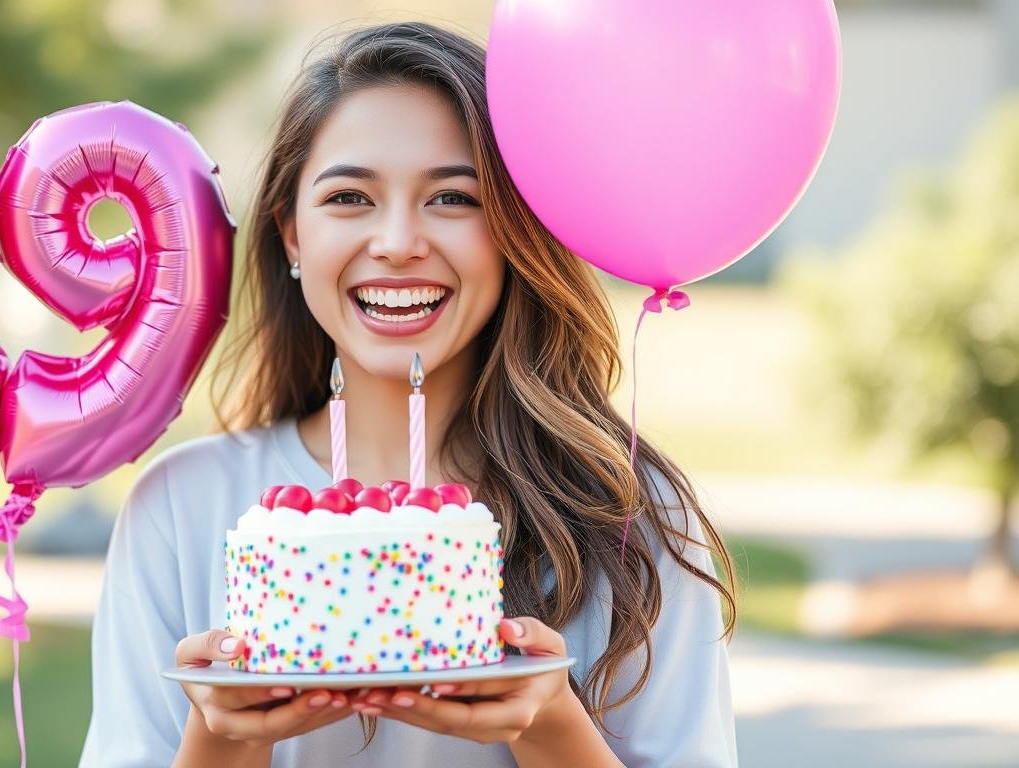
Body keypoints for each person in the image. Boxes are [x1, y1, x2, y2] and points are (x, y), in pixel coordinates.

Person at [79, 20, 738, 768]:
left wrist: (549, 719)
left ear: (516, 231)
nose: (397, 241)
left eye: (453, 199)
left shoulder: (631, 515)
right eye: (351, 197)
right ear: (291, 234)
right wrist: (223, 734)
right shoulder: (181, 508)